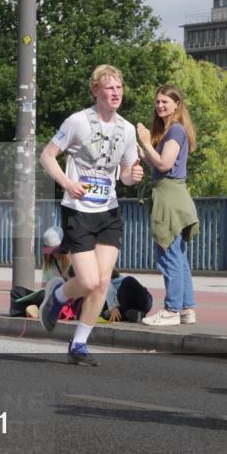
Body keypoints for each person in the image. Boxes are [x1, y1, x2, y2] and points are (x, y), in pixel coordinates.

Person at [38, 64, 144, 366]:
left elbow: (124, 176)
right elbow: (47, 156)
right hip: (79, 212)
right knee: (86, 280)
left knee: (101, 282)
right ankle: (57, 296)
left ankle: (79, 343)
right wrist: (68, 183)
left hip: (108, 211)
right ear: (95, 90)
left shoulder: (127, 129)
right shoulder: (78, 122)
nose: (116, 93)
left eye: (119, 87)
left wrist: (133, 176)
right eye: (109, 87)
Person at [136, 84, 200, 326]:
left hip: (169, 199)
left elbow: (164, 164)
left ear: (177, 105)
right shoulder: (173, 131)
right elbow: (158, 162)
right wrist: (144, 151)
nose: (160, 105)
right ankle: (186, 308)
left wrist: (145, 142)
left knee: (169, 256)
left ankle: (171, 310)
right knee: (179, 257)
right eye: (158, 102)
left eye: (165, 102)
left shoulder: (175, 131)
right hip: (174, 196)